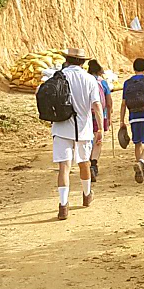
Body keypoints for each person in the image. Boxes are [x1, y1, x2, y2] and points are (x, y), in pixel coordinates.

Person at [50, 48, 104, 221]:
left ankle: (63, 205)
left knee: (64, 167)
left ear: (67, 60)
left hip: (61, 128)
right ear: (83, 62)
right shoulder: (89, 79)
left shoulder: (58, 76)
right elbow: (96, 106)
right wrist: (100, 128)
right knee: (84, 164)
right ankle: (87, 195)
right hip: (83, 129)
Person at [87, 59, 113, 181]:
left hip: (85, 114)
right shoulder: (103, 82)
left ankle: (87, 162)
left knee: (88, 139)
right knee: (98, 138)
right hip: (100, 113)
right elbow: (109, 101)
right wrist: (109, 116)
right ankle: (93, 164)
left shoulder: (85, 80)